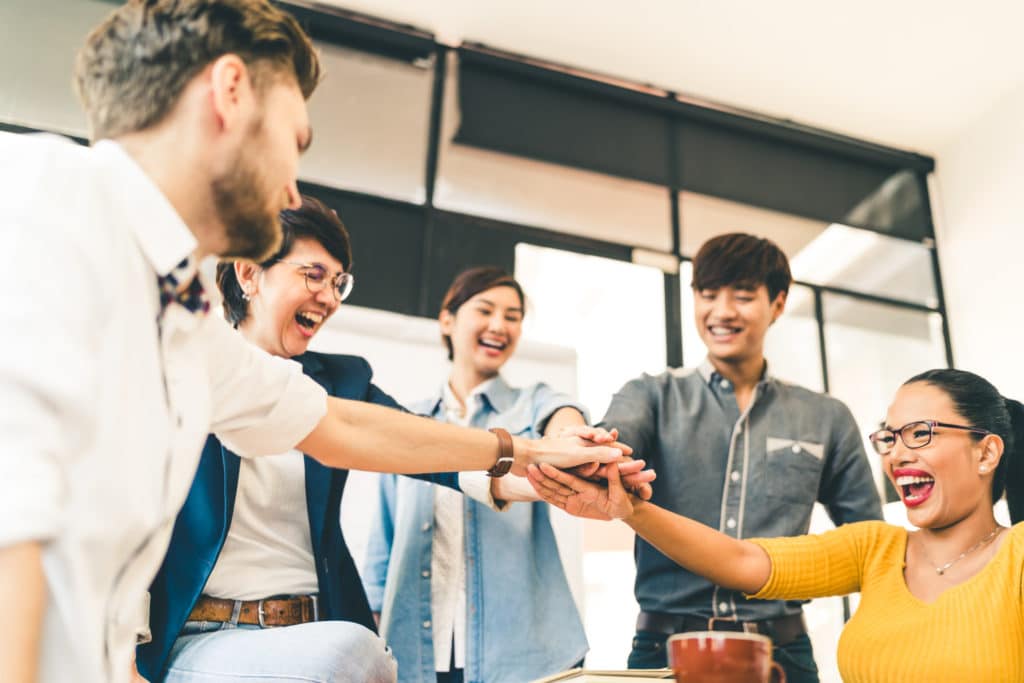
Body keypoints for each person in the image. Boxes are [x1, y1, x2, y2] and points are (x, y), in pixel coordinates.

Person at [0, 3, 629, 682]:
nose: (292, 186)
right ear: (231, 91)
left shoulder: (185, 319)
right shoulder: (46, 201)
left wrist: (528, 449)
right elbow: (14, 524)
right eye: (294, 142)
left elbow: (336, 422)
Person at [529, 368, 1024, 683]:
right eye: (890, 437)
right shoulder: (877, 547)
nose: (896, 453)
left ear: (986, 451)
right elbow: (742, 560)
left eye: (920, 433)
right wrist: (629, 511)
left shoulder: (1017, 555)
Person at [587, 233, 883, 681]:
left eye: (743, 296)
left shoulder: (826, 417)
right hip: (664, 651)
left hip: (784, 653)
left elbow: (869, 542)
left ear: (778, 304)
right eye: (708, 295)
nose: (722, 312)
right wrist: (594, 452)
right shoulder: (650, 395)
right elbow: (612, 445)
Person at [363, 267, 637, 683]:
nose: (499, 325)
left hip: (523, 653)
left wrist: (567, 438)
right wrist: (372, 625)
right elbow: (382, 541)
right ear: (448, 319)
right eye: (486, 310)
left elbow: (561, 417)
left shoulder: (531, 404)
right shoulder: (410, 422)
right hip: (415, 654)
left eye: (512, 316)